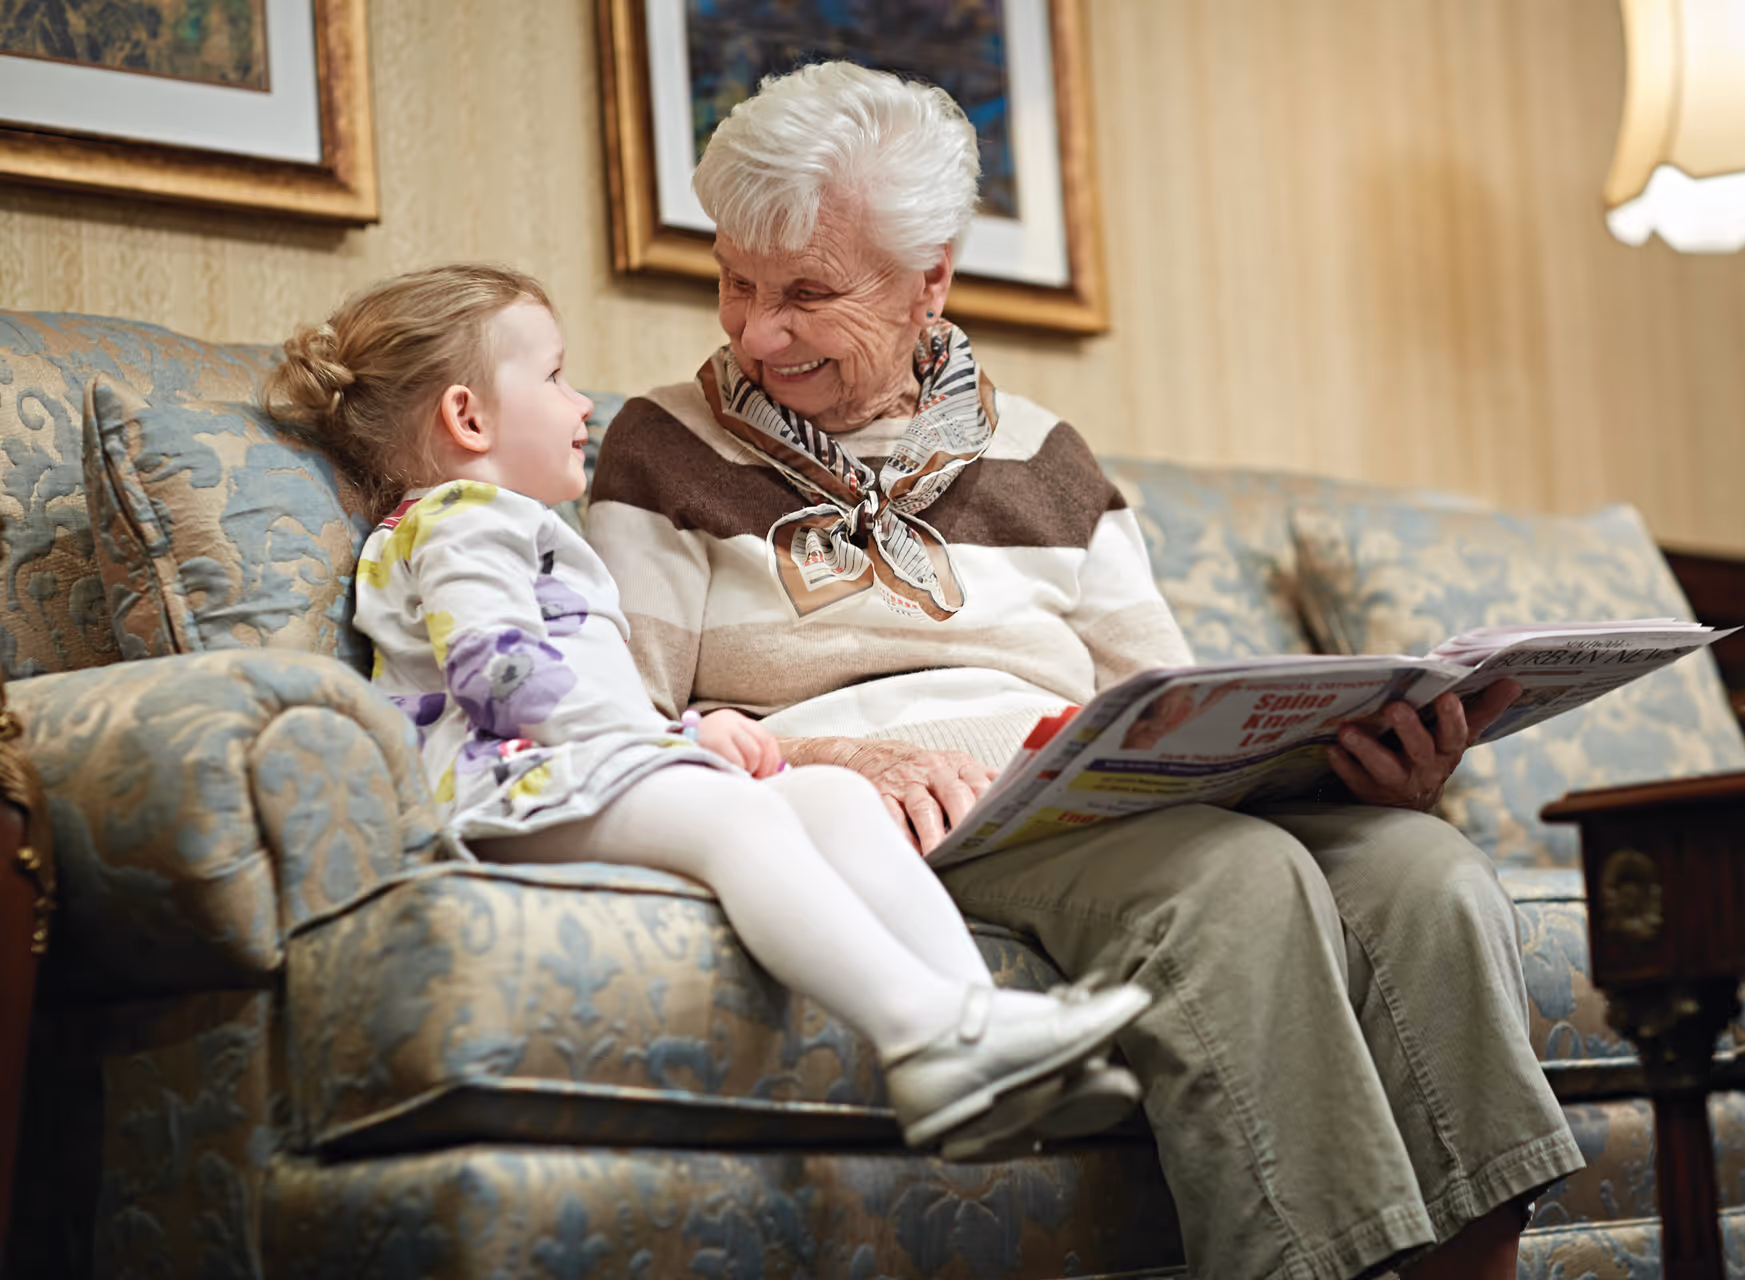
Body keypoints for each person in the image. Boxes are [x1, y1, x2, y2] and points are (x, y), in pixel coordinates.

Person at [585, 63, 1585, 1280]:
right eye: (735, 283)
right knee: (1233, 878)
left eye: (806, 292)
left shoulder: (1045, 453)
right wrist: (829, 752)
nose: (753, 330)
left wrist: (1368, 767)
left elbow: (1167, 698)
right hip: (903, 827)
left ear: (930, 282)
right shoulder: (658, 446)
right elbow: (610, 726)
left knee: (1425, 872)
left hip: (1094, 794)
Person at [260, 263, 1153, 1161]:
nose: (583, 407)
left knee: (834, 799)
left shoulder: (502, 522)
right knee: (730, 811)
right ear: (469, 417)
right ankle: (921, 1033)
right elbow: (497, 677)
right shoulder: (463, 521)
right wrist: (672, 740)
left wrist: (674, 743)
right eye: (558, 376)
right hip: (503, 793)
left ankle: (987, 1037)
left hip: (567, 777)